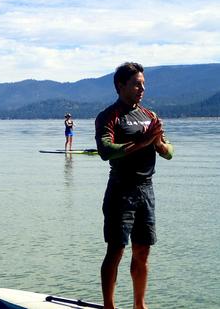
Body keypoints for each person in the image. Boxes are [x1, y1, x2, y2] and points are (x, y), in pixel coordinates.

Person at [95, 62, 173, 309]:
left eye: (143, 84)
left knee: (142, 252)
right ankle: (110, 306)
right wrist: (140, 143)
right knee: (116, 250)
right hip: (121, 189)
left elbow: (169, 152)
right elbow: (105, 150)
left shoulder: (150, 116)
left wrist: (158, 144)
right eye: (137, 84)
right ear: (120, 85)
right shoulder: (109, 116)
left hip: (146, 190)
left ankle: (140, 305)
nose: (142, 88)